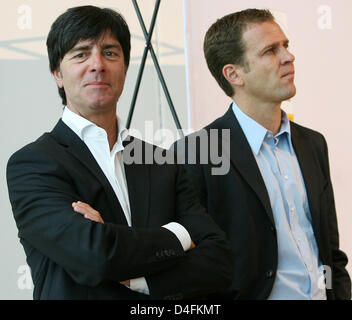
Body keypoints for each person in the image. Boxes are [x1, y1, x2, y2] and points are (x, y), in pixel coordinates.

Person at [6, 5, 235, 300]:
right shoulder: (33, 163)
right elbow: (93, 255)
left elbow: (219, 262)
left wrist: (137, 277)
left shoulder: (161, 161)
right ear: (57, 74)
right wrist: (180, 235)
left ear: (125, 68)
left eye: (110, 53)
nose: (97, 64)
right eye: (81, 54)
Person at [174, 8, 351, 299]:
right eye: (270, 50)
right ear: (234, 74)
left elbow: (331, 254)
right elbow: (190, 269)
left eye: (286, 46)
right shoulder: (196, 153)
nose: (288, 57)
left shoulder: (313, 144)